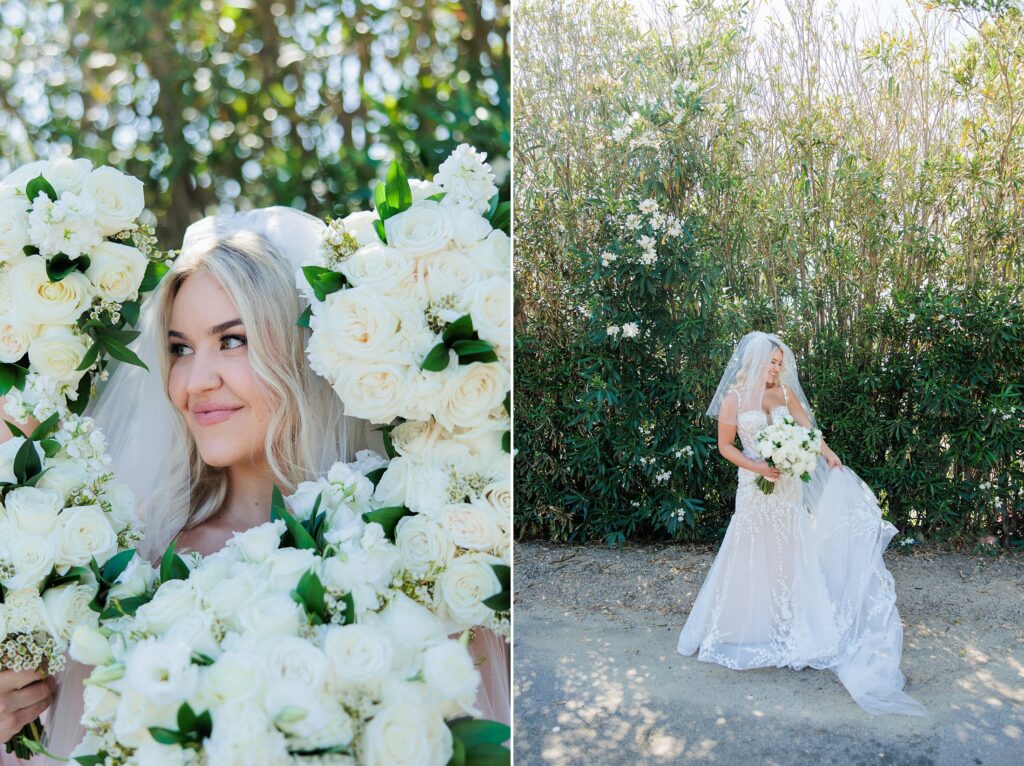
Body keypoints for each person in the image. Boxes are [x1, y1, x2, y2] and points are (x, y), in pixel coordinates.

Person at [1, 207, 509, 764]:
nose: (196, 382)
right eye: (180, 348)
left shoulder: (421, 556)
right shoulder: (128, 566)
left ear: (304, 353)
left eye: (233, 341)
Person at [677, 331, 926, 716]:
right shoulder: (735, 399)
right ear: (754, 361)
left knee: (790, 548)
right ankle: (748, 624)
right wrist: (759, 466)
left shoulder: (785, 395)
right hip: (754, 485)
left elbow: (808, 430)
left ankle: (792, 621)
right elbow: (726, 446)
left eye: (780, 362)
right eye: (771, 361)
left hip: (788, 486)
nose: (776, 368)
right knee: (750, 547)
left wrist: (828, 455)